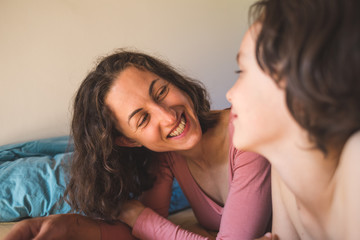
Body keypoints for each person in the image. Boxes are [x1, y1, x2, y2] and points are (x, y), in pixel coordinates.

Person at [4, 50, 271, 240]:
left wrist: (139, 216)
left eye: (161, 92)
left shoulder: (246, 134)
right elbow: (140, 229)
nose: (168, 116)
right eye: (143, 119)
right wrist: (71, 226)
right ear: (128, 140)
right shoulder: (167, 156)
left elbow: (144, 221)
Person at [227, 0, 360, 239]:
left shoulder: (356, 160)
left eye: (241, 72)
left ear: (300, 80)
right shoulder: (284, 174)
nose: (229, 94)